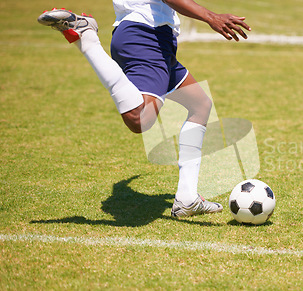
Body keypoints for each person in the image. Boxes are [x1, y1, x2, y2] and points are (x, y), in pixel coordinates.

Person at [37, 0, 251, 217]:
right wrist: (210, 16)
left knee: (200, 105)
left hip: (155, 40)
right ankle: (87, 37)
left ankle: (187, 198)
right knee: (139, 119)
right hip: (146, 37)